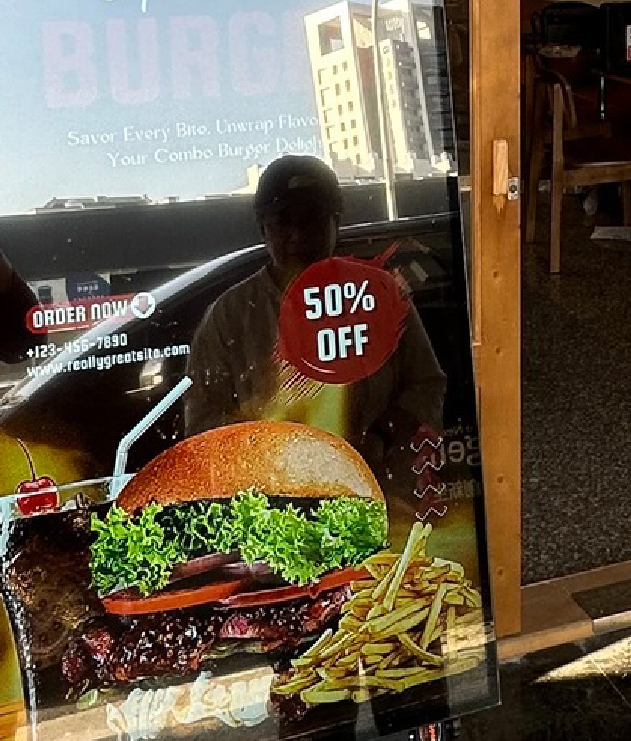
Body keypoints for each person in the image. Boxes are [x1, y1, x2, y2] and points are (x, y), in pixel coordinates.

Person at [183, 154, 446, 491]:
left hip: (379, 492)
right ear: (263, 228)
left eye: (313, 219)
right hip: (273, 499)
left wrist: (383, 437)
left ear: (335, 223)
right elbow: (202, 421)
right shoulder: (230, 315)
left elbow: (427, 385)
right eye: (283, 221)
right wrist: (263, 449)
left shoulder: (381, 295)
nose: (298, 235)